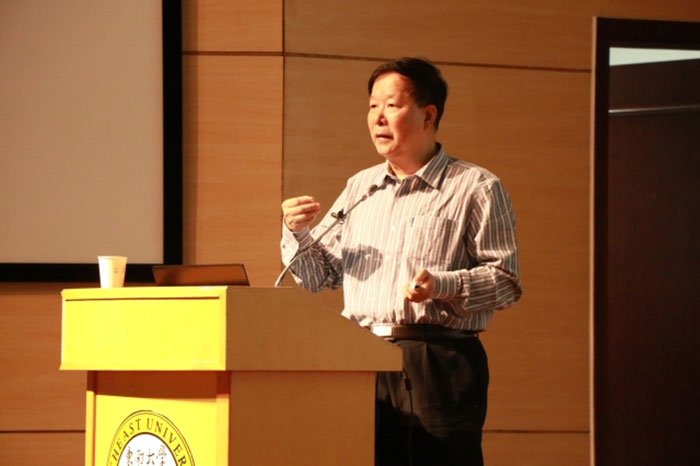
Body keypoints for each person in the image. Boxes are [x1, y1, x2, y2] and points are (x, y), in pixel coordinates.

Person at [280, 57, 522, 466]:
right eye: (372, 106)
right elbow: (319, 275)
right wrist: (297, 232)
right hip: (359, 357)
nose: (378, 117)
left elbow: (505, 281)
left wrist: (442, 285)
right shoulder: (362, 187)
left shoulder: (476, 187)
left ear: (428, 115)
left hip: (436, 359)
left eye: (391, 105)